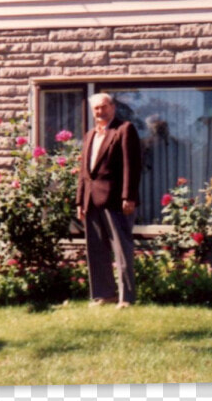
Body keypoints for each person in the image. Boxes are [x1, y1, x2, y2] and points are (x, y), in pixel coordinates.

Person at [76, 92, 142, 309]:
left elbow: (131, 166)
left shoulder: (124, 130)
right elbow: (84, 172)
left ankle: (126, 298)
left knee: (122, 250)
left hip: (116, 200)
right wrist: (79, 202)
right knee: (96, 249)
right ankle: (105, 294)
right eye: (96, 108)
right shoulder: (89, 135)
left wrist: (128, 196)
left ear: (113, 107)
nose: (100, 112)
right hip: (91, 201)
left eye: (104, 107)